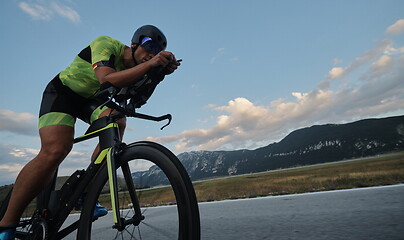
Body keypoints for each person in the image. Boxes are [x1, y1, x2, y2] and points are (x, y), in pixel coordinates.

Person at [0, 25, 180, 239]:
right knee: (57, 150)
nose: (152, 53)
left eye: (157, 51)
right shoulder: (106, 44)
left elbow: (136, 100)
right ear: (134, 44)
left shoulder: (142, 68)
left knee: (117, 121)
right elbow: (107, 79)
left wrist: (157, 75)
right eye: (148, 46)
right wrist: (152, 64)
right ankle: (6, 224)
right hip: (63, 93)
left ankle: (86, 193)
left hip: (92, 101)